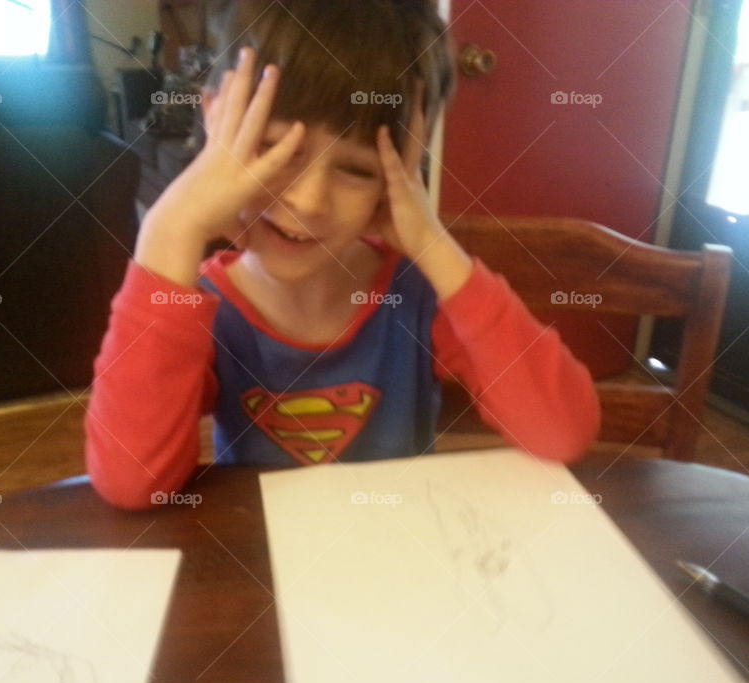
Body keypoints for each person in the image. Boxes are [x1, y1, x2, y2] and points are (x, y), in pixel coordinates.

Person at [85, 0, 600, 509]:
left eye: (356, 170)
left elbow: (563, 432)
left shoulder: (416, 296)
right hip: (258, 572)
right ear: (217, 120)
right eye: (275, 148)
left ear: (396, 179)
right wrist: (166, 231)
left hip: (403, 556)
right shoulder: (194, 308)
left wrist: (432, 244)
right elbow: (134, 484)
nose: (309, 201)